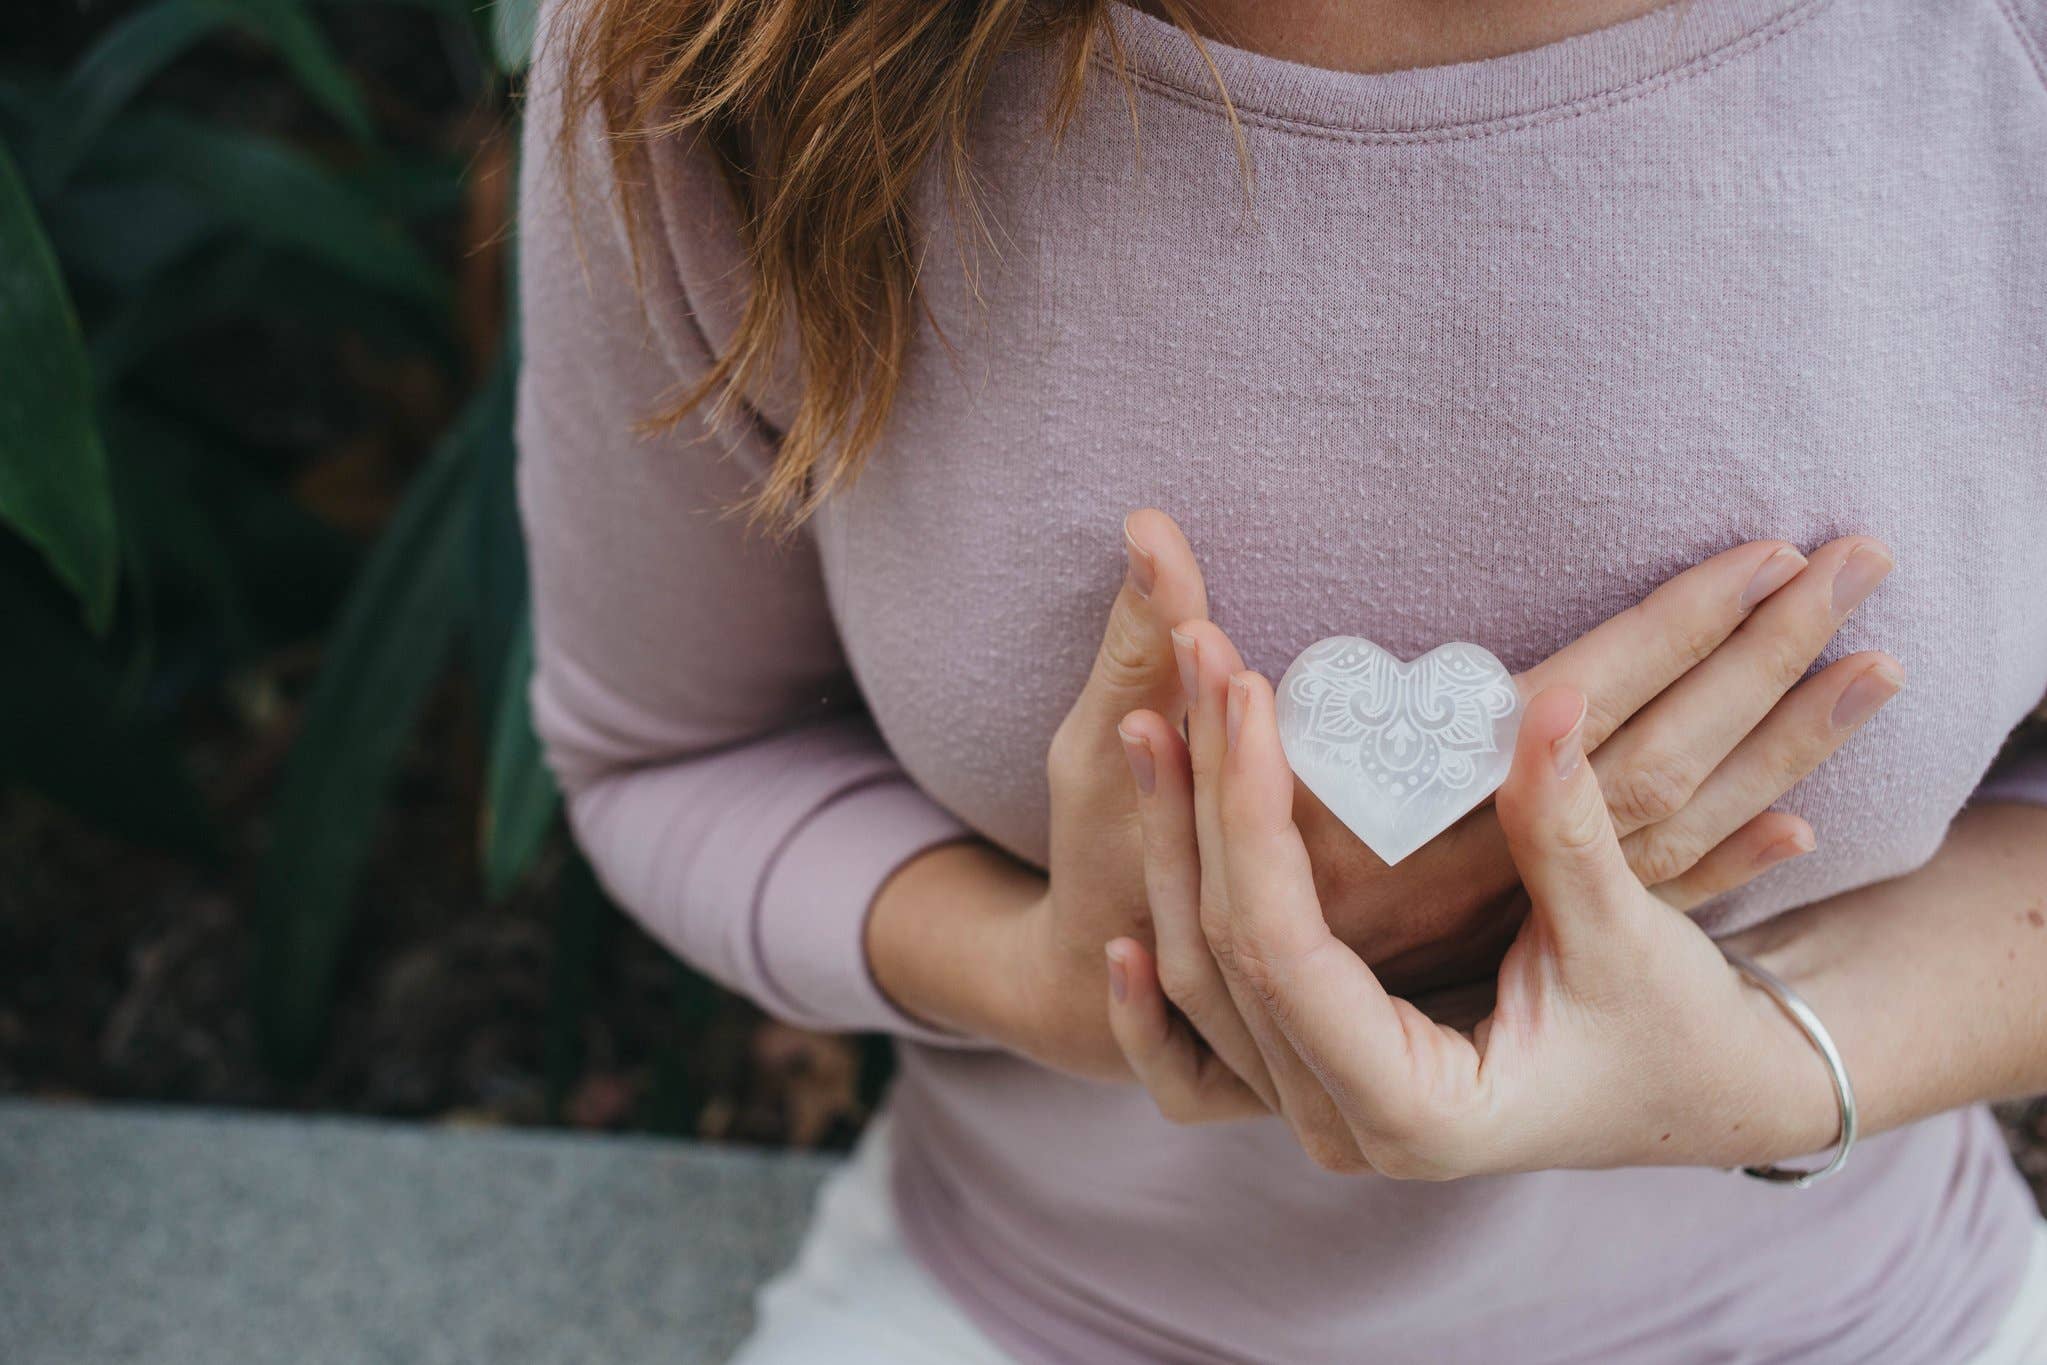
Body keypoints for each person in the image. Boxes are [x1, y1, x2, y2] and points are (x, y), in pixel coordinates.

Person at [514, 0, 2047, 1358]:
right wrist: (1053, 976)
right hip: (1024, 1310)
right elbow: (671, 753)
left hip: (1873, 1317)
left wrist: (1766, 1065)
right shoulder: (731, 46)